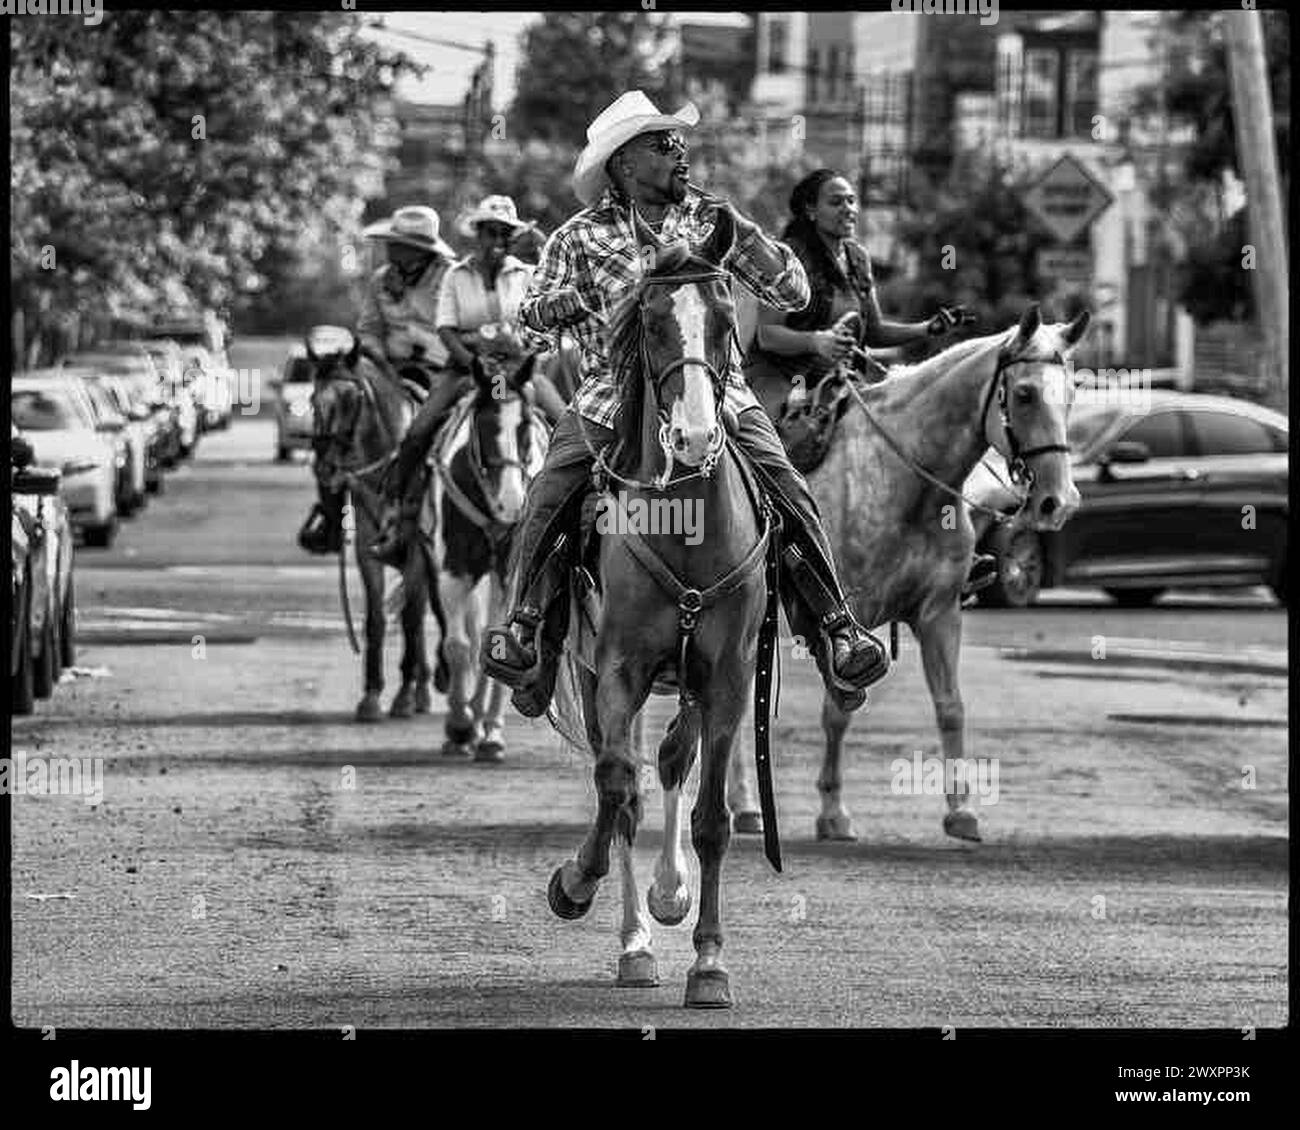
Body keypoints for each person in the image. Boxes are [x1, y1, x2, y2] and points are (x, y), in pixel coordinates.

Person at [478, 90, 892, 719]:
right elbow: (529, 326)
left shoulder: (711, 220)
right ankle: (527, 628)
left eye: (679, 142)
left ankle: (837, 630)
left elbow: (796, 291)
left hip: (720, 393)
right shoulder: (579, 237)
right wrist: (553, 307)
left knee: (788, 488)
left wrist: (752, 245)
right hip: (610, 400)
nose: (680, 153)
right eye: (663, 144)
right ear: (623, 163)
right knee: (547, 493)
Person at [743, 168, 997, 596]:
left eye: (852, 201)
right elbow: (768, 335)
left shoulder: (856, 258)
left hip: (840, 380)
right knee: (794, 444)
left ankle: (945, 554)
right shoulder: (786, 258)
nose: (849, 209)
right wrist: (817, 341)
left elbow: (873, 330)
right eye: (836, 201)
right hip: (784, 379)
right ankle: (772, 545)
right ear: (809, 209)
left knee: (913, 435)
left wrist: (925, 330)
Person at [369, 195, 567, 568]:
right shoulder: (456, 276)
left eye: (504, 233)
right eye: (489, 231)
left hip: (519, 369)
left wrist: (517, 350)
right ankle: (400, 520)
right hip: (466, 371)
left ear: (512, 238)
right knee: (418, 431)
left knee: (569, 424)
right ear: (477, 234)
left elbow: (541, 327)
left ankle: (579, 519)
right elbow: (446, 329)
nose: (496, 239)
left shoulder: (526, 275)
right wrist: (475, 362)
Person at [299, 205, 455, 556]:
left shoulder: (450, 277)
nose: (391, 250)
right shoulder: (380, 279)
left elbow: (454, 328)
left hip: (438, 368)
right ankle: (332, 515)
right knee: (337, 413)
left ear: (420, 249)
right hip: (386, 367)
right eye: (391, 243)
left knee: (456, 425)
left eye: (398, 244)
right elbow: (368, 328)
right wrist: (376, 354)